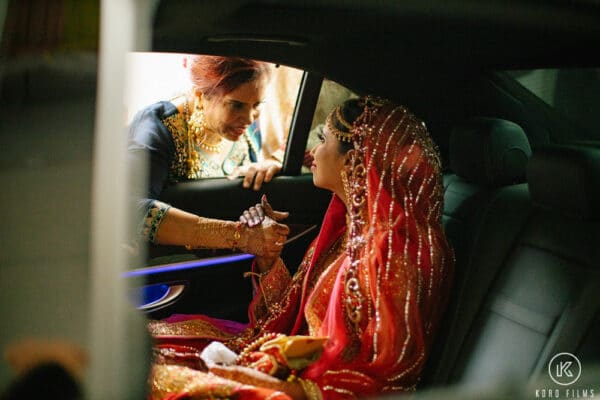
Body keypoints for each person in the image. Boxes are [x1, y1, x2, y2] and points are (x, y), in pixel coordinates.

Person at [147, 96, 454, 399]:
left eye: (324, 140)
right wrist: (268, 256)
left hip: (311, 389)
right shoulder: (351, 231)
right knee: (138, 348)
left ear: (352, 161)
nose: (313, 152)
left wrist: (276, 385)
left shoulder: (393, 253)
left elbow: (386, 380)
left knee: (142, 376)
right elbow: (294, 319)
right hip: (291, 366)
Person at [128, 55, 288, 253]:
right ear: (199, 96)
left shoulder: (246, 137)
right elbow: (129, 208)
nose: (249, 119)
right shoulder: (159, 128)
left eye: (256, 105)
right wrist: (238, 236)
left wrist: (267, 168)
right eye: (236, 105)